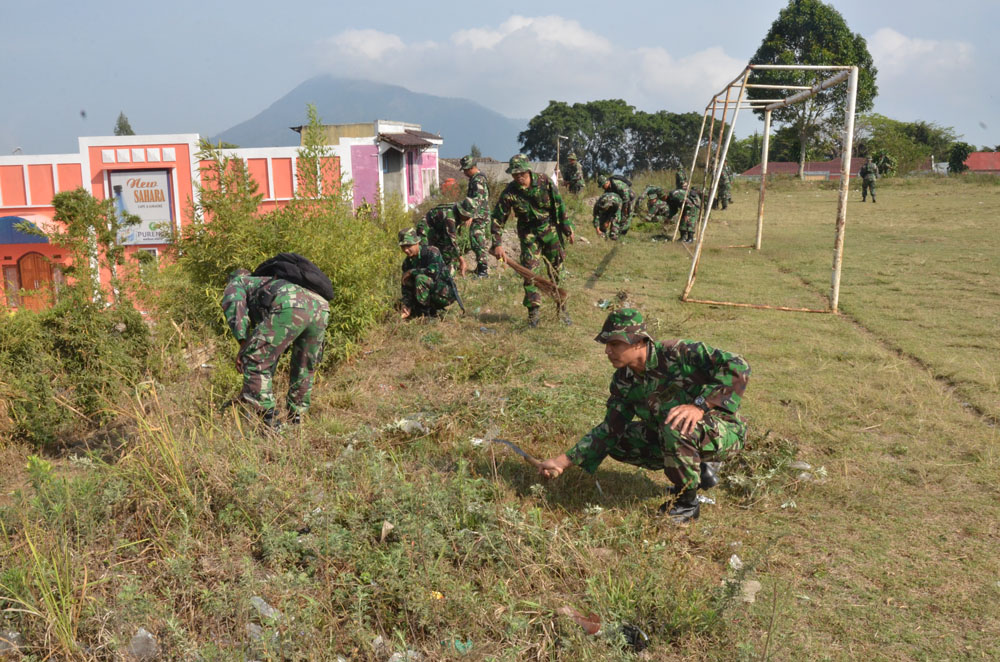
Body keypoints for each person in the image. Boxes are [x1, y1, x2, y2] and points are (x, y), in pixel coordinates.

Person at [537, 308, 750, 523]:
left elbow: (738, 365)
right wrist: (562, 462)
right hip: (677, 435)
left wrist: (700, 405)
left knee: (676, 424)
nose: (607, 352)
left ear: (638, 342)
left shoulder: (678, 352)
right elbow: (611, 429)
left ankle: (687, 503)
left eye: (614, 344)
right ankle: (697, 468)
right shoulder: (624, 380)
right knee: (620, 441)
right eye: (607, 345)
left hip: (723, 430)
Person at [221, 262, 330, 428]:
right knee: (304, 367)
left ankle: (270, 423)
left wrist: (243, 345)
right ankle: (296, 420)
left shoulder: (238, 283)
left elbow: (235, 309)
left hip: (291, 304)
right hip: (320, 307)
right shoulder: (269, 285)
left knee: (254, 360)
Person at [490, 154, 575, 327]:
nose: (518, 177)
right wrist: (497, 243)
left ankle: (562, 309)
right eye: (514, 174)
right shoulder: (509, 193)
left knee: (558, 270)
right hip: (528, 235)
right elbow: (498, 219)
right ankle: (533, 314)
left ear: (528, 170)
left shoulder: (544, 182)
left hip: (550, 230)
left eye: (521, 173)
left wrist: (566, 228)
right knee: (529, 273)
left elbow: (559, 205)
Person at [398, 227, 456, 319]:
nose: (405, 250)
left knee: (420, 279)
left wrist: (412, 272)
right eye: (403, 247)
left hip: (444, 293)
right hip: (426, 293)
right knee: (400, 303)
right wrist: (406, 305)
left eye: (408, 246)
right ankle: (421, 310)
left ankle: (427, 315)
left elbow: (433, 272)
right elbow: (406, 287)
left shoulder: (432, 251)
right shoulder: (407, 263)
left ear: (417, 243)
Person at [416, 198, 476, 275]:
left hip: (438, 228)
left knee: (446, 252)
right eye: (467, 216)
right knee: (426, 253)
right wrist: (462, 260)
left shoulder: (457, 211)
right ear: (461, 212)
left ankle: (442, 270)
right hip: (426, 229)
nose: (468, 218)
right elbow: (452, 241)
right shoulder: (450, 216)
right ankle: (422, 274)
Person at [460, 155, 492, 277]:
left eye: (466, 169)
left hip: (479, 216)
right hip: (478, 215)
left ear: (472, 167)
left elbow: (478, 200)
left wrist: (471, 216)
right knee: (475, 242)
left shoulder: (478, 180)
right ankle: (480, 268)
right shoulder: (475, 179)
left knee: (478, 242)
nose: (464, 172)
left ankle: (483, 271)